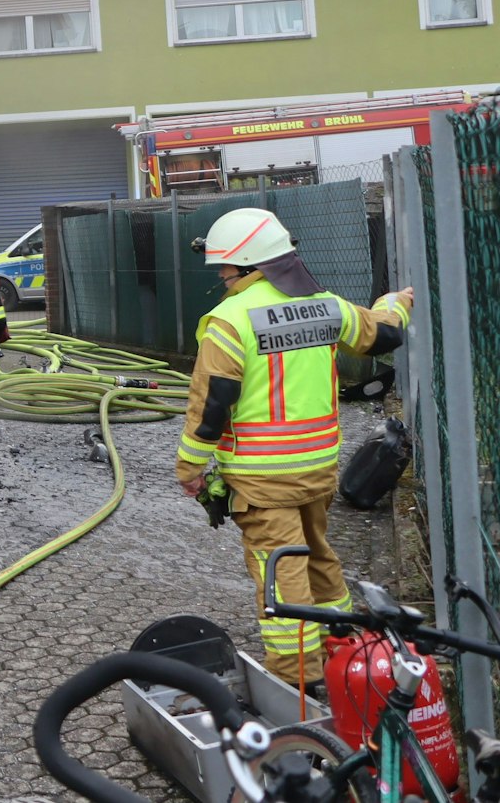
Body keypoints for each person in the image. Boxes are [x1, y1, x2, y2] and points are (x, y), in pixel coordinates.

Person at [175, 207, 411, 692]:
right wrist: (395, 303)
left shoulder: (230, 320)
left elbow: (211, 403)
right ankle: (342, 651)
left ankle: (297, 681)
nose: (220, 275)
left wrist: (190, 467)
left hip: (262, 478)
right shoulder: (326, 305)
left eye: (224, 266)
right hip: (318, 468)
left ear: (248, 263)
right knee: (319, 556)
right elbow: (383, 333)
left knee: (281, 571)